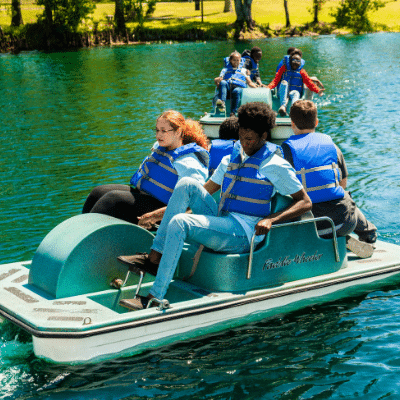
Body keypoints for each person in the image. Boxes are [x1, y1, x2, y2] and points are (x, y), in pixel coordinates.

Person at [118, 102, 312, 310]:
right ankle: (154, 258)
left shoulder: (275, 164)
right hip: (222, 219)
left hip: (243, 232)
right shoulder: (232, 158)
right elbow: (204, 190)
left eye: (250, 140)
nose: (244, 144)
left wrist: (271, 219)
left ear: (264, 136)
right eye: (241, 137)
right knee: (187, 184)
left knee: (181, 223)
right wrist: (155, 215)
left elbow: (304, 202)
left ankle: (155, 296)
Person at [282, 100, 377, 258]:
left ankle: (328, 238)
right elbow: (343, 183)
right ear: (317, 122)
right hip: (345, 221)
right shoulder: (332, 145)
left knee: (286, 200)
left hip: (310, 226)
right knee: (344, 194)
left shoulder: (286, 150)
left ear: (292, 124)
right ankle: (368, 234)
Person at [82, 110, 210, 225]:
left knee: (113, 200)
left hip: (164, 209)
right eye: (157, 130)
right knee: (97, 192)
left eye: (164, 131)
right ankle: (77, 233)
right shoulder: (161, 147)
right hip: (145, 196)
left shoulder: (189, 162)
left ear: (178, 132)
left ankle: (85, 238)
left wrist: (154, 216)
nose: (158, 135)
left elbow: (193, 203)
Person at [268, 52, 325, 117]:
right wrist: (268, 88)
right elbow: (275, 81)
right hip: (282, 93)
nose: (296, 62)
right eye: (294, 60)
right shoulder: (284, 69)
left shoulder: (302, 72)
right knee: (284, 82)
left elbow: (309, 83)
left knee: (296, 93)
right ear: (290, 61)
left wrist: (318, 90)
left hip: (293, 92)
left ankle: (293, 109)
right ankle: (283, 106)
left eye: (298, 61)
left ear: (300, 63)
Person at [214, 51, 257, 116]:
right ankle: (222, 103)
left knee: (236, 90)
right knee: (223, 82)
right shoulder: (225, 70)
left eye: (238, 60)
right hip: (227, 91)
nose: (236, 62)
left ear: (240, 61)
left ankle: (233, 112)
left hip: (237, 90)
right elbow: (217, 80)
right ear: (230, 60)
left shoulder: (243, 70)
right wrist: (217, 80)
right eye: (234, 60)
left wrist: (257, 87)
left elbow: (250, 82)